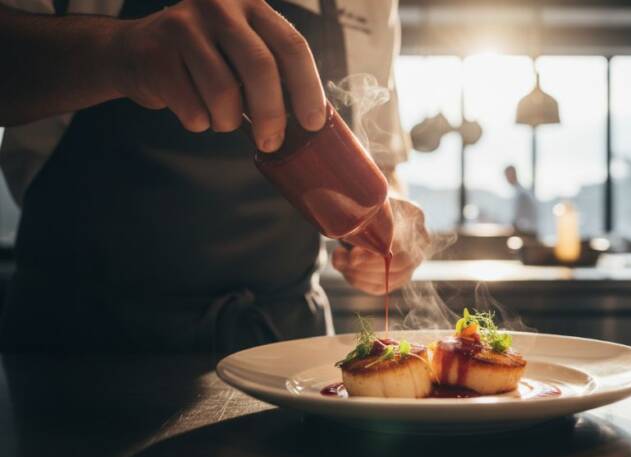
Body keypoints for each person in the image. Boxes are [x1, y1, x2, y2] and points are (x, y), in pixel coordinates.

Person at [0, 0, 427, 354]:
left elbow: (380, 162)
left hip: (284, 344)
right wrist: (122, 52)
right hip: (79, 350)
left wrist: (394, 223)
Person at [504, 165, 538, 235]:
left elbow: (517, 218)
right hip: (526, 231)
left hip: (527, 233)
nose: (506, 179)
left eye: (507, 175)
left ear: (514, 174)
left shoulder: (521, 194)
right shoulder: (519, 192)